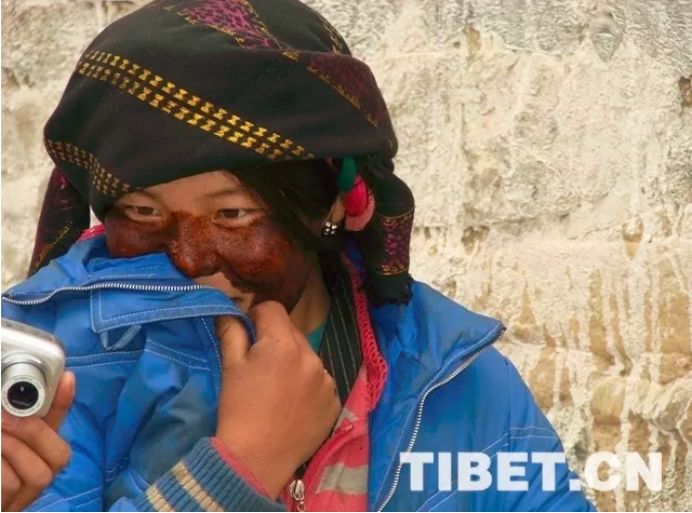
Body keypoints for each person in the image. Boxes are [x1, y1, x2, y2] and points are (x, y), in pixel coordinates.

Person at [1, 0, 595, 511]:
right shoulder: (53, 372)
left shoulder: (454, 379)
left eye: (233, 214)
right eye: (142, 212)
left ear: (331, 202)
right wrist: (240, 470)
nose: (190, 259)